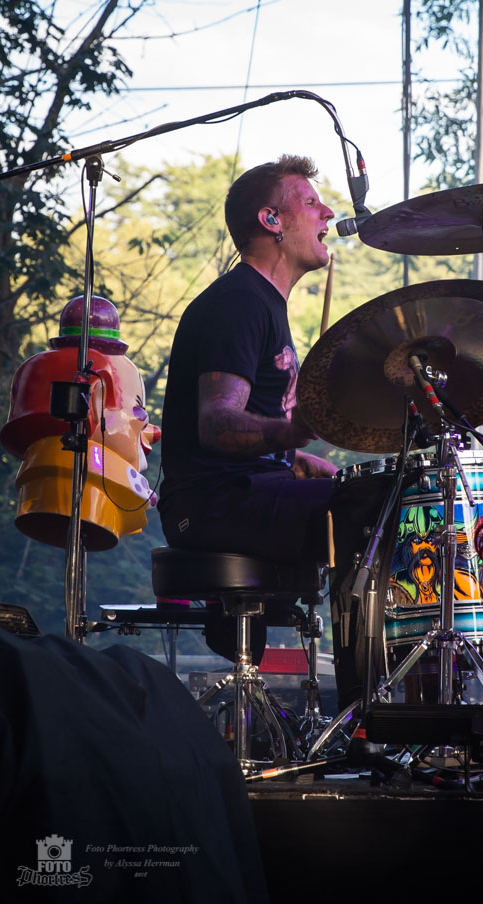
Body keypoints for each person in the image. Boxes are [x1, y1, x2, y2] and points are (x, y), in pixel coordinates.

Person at [158, 156, 392, 703]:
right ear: (271, 220)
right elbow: (217, 425)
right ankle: (370, 707)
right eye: (311, 202)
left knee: (368, 490)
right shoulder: (240, 302)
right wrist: (292, 433)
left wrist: (297, 461)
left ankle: (372, 698)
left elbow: (243, 441)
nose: (328, 211)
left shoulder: (265, 305)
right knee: (376, 506)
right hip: (213, 505)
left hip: (240, 492)